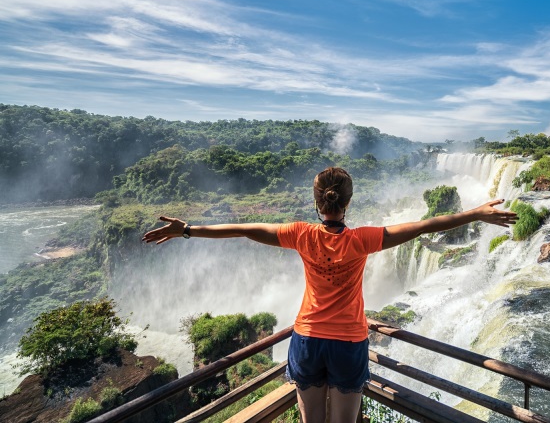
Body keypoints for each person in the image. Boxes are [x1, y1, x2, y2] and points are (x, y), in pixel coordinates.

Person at [142, 167, 517, 423]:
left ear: (317, 203)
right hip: (348, 342)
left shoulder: (301, 234)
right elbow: (422, 227)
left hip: (305, 339)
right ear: (347, 203)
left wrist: (188, 229)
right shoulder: (363, 239)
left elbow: (243, 230)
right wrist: (473, 215)